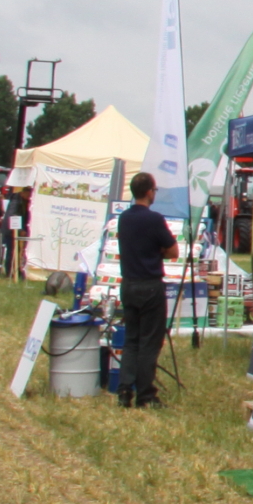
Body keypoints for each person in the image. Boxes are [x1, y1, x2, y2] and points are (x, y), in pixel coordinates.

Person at [115, 171, 179, 407]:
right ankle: (145, 394)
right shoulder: (154, 219)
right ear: (149, 191)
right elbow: (173, 251)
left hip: (128, 284)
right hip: (150, 285)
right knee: (150, 342)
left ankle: (124, 390)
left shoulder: (124, 218)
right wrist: (156, 251)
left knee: (131, 340)